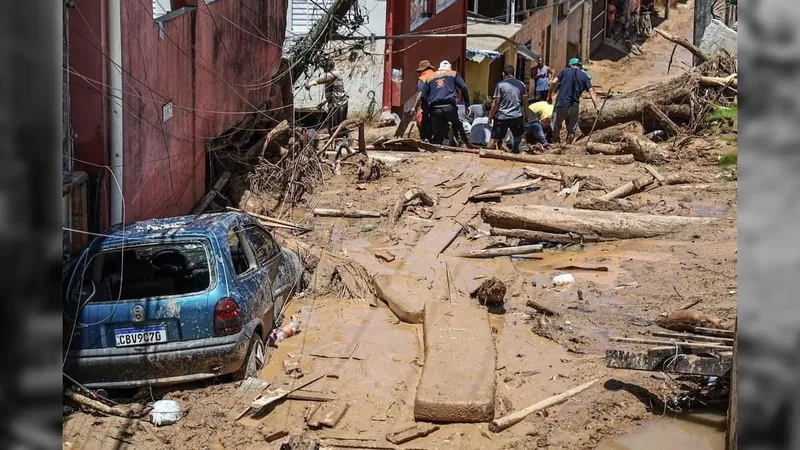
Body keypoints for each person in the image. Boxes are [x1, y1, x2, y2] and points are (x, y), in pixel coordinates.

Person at [549, 57, 599, 144]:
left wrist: (550, 94)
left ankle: (555, 143)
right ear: (579, 66)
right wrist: (596, 106)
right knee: (572, 129)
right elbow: (591, 91)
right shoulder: (584, 76)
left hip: (561, 104)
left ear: (570, 65)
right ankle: (568, 145)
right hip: (574, 106)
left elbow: (553, 82)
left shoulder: (564, 71)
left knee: (555, 125)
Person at [421, 60, 471, 146]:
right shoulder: (453, 74)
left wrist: (427, 110)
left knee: (438, 132)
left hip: (435, 109)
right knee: (457, 125)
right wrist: (467, 104)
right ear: (449, 68)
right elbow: (463, 87)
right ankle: (464, 143)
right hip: (449, 107)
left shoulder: (430, 77)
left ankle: (437, 148)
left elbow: (423, 96)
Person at [488, 65, 528, 153]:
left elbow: (495, 103)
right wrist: (526, 115)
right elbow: (525, 102)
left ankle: (486, 154)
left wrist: (490, 117)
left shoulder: (500, 85)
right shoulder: (521, 85)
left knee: (494, 139)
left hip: (502, 116)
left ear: (503, 74)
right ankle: (515, 151)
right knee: (518, 136)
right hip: (517, 115)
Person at [305, 60, 349, 133]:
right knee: (332, 125)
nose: (324, 70)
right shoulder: (332, 75)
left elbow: (325, 79)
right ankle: (334, 137)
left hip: (339, 104)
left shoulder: (333, 74)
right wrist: (324, 103)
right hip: (335, 103)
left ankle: (341, 140)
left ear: (328, 67)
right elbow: (333, 92)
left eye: (324, 68)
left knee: (338, 126)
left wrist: (313, 82)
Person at [412, 60, 436, 142]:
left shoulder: (422, 79)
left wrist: (414, 107)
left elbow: (421, 94)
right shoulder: (438, 76)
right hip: (443, 103)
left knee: (422, 117)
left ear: (422, 70)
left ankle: (425, 138)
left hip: (430, 105)